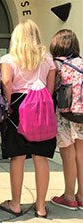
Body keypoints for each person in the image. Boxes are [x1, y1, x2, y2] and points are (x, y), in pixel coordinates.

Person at [0, 19, 56, 218]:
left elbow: (6, 81)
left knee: (18, 157)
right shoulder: (48, 58)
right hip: (41, 106)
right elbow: (50, 88)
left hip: (17, 107)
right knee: (41, 157)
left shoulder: (8, 58)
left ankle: (15, 203)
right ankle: (40, 206)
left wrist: (7, 104)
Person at [50, 29, 83, 210]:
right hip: (82, 114)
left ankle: (69, 196)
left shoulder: (56, 65)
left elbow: (50, 90)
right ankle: (82, 195)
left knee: (67, 154)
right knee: (81, 154)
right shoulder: (82, 62)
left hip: (64, 114)